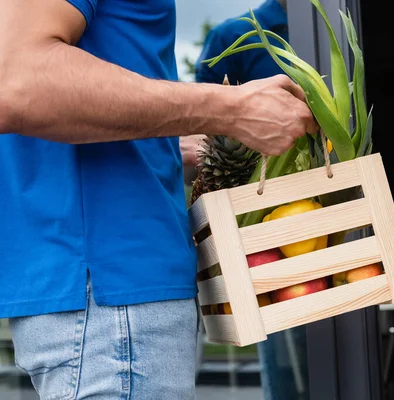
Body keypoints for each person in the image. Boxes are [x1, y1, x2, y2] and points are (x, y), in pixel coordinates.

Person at [0, 1, 318, 399]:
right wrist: (230, 109)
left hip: (104, 295)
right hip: (111, 296)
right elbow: (21, 79)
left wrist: (166, 145)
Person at [195, 1, 309, 399]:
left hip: (331, 212)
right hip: (265, 228)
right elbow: (201, 132)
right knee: (284, 359)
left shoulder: (325, 22)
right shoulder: (232, 36)